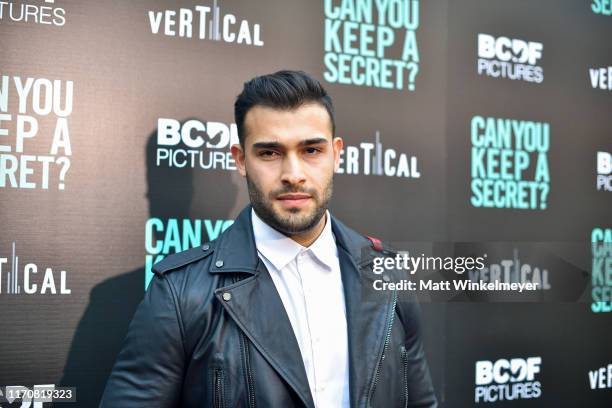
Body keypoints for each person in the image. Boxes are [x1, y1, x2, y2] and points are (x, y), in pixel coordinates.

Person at [100, 70, 437, 407]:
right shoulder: (180, 292)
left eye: (311, 150)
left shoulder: (387, 274)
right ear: (241, 159)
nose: (293, 174)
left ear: (336, 154)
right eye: (270, 153)